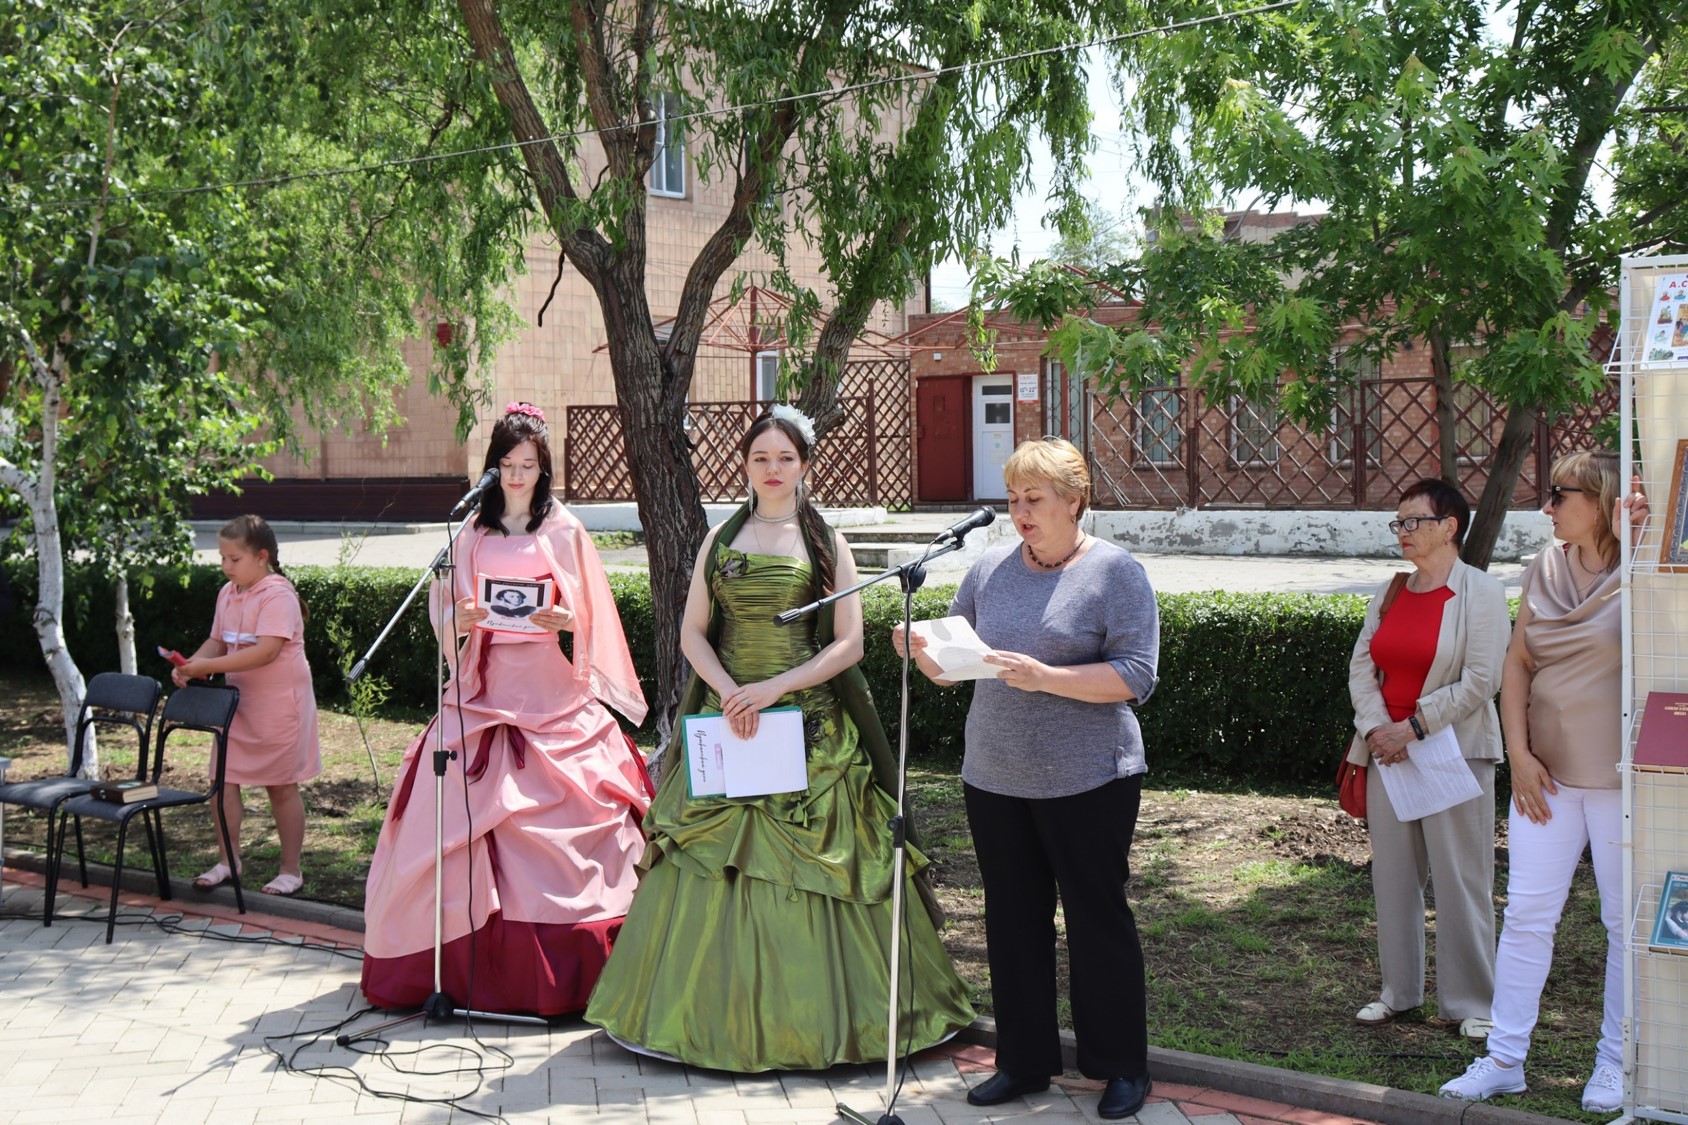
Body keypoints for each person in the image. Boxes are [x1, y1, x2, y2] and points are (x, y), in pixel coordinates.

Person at [585, 405, 975, 1070]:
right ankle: (704, 1020)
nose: (772, 469)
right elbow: (692, 635)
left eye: (785, 459)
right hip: (732, 723)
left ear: (805, 466)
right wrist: (730, 691)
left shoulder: (826, 541)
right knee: (715, 857)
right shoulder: (720, 539)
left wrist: (772, 690)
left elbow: (848, 644)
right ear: (744, 463)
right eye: (761, 457)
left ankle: (836, 1024)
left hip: (811, 730)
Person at [893, 436, 1159, 1121]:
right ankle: (1024, 1061)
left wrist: (1049, 678)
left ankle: (1121, 1066)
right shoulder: (989, 568)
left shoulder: (1115, 572)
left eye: (1033, 499)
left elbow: (1136, 675)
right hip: (996, 777)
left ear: (1074, 500)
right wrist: (921, 649)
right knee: (1012, 923)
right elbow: (957, 666)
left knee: (1098, 921)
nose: (1020, 512)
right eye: (1012, 499)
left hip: (1090, 779)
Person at [360, 403, 653, 1016]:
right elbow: (445, 610)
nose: (518, 476)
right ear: (492, 468)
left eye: (528, 465)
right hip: (485, 688)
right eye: (507, 465)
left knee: (573, 818)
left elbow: (593, 612)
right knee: (452, 816)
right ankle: (453, 971)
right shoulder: (471, 533)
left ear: (544, 468)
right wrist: (457, 620)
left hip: (550, 692)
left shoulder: (566, 529)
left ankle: (577, 969)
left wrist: (566, 619)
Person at [1440, 451, 1649, 1112]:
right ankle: (1504, 1057)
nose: (1547, 507)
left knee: (1622, 922)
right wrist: (1519, 754)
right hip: (1546, 779)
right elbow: (1517, 665)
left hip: (1623, 780)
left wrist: (1646, 537)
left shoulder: (1642, 567)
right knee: (1528, 914)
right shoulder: (1544, 567)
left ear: (1602, 498)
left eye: (1559, 494)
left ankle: (1615, 1063)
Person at [1345, 480, 1508, 1038]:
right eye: (1399, 522)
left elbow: (1482, 680)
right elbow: (1362, 667)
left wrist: (1414, 727)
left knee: (1462, 878)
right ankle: (1399, 992)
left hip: (1452, 753)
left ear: (1449, 527)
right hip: (1388, 754)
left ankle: (1471, 1003)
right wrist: (1376, 730)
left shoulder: (1481, 593)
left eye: (1414, 521)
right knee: (1392, 876)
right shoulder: (1391, 592)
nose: (1403, 532)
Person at [175, 514, 321, 896]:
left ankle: (291, 870)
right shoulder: (229, 593)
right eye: (222, 558)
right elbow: (218, 642)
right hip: (238, 704)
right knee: (222, 780)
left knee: (281, 787)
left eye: (233, 559)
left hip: (279, 706)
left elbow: (266, 652)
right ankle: (228, 861)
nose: (225, 567)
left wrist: (208, 666)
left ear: (261, 557)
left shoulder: (278, 595)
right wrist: (191, 665)